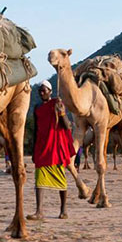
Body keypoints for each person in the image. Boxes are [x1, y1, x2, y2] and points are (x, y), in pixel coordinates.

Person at [28, 80, 76, 219]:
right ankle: (39, 211)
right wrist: (34, 149)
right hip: (42, 146)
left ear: (50, 91)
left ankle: (63, 210)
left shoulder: (57, 104)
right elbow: (36, 129)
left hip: (56, 146)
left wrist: (61, 114)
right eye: (40, 91)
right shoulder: (37, 107)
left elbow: (67, 126)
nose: (41, 93)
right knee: (39, 180)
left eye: (44, 90)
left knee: (61, 179)